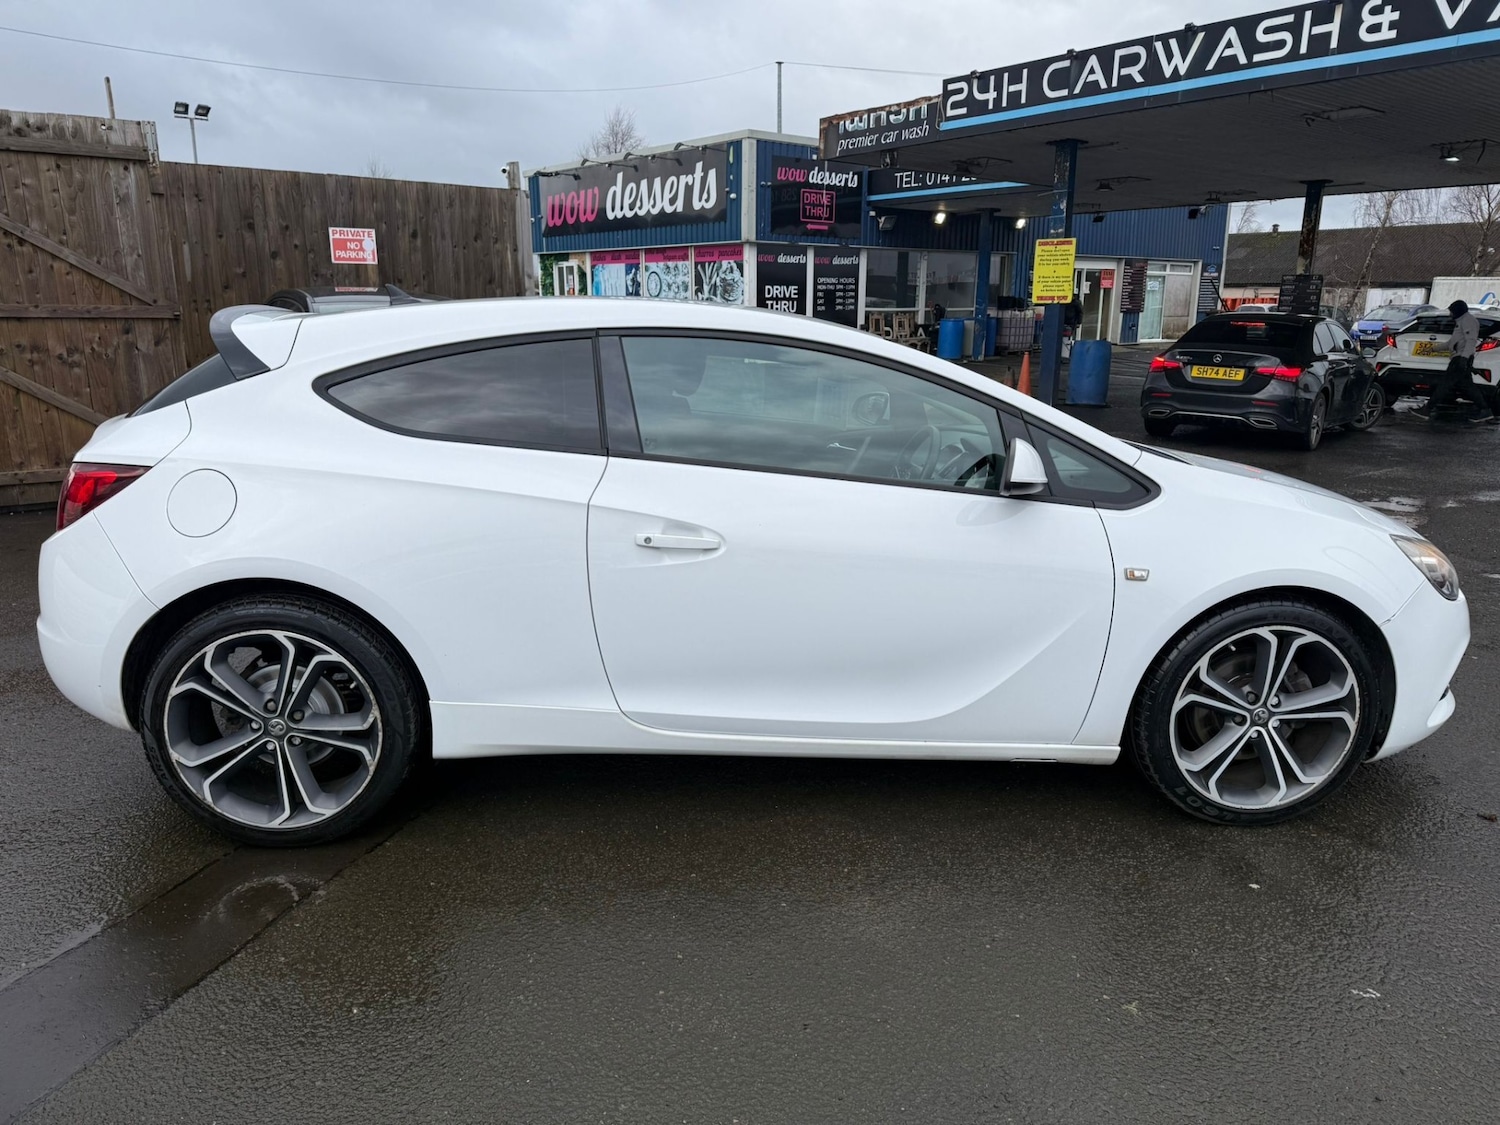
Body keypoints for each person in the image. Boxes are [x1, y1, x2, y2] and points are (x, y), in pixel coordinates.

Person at [1413, 301, 1489, 422]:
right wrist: (1433, 349)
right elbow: (1451, 343)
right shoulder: (1461, 322)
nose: (1450, 314)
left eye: (1451, 311)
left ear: (1458, 310)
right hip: (1460, 358)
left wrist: (1464, 358)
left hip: (1460, 358)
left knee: (1445, 384)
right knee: (1467, 386)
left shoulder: (1467, 321)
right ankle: (1485, 410)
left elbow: (1471, 341)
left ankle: (1428, 409)